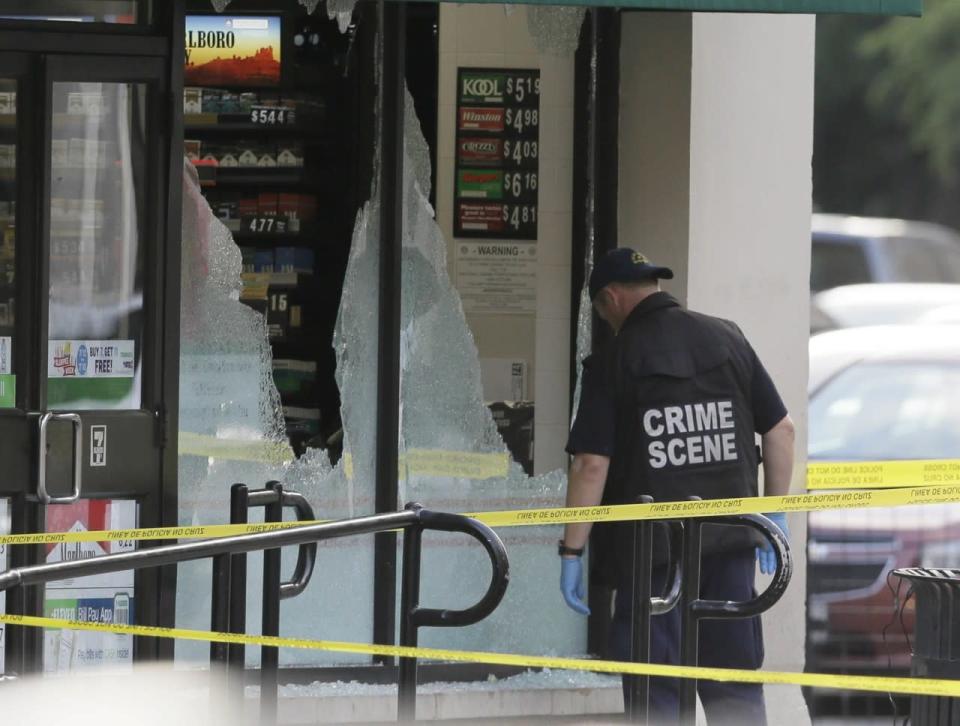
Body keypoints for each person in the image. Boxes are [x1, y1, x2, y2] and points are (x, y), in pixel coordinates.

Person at [558, 248, 796, 725]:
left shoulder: (614, 360)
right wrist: (773, 513)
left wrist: (571, 551)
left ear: (611, 298)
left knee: (656, 687)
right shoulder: (728, 338)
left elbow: (590, 465)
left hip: (652, 555)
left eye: (603, 314)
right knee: (733, 683)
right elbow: (781, 431)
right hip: (730, 544)